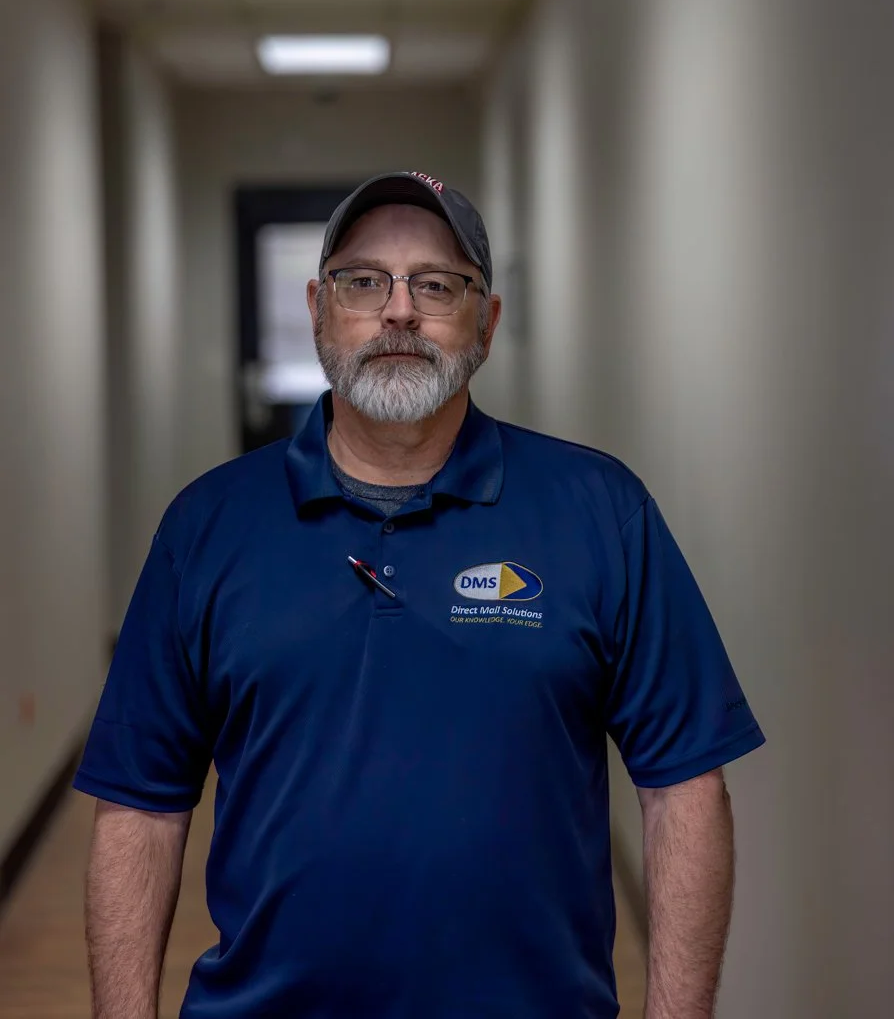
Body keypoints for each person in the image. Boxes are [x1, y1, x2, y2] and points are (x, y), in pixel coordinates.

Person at [75, 170, 765, 1019]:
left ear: (488, 321)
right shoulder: (207, 526)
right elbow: (139, 809)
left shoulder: (600, 512)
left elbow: (684, 787)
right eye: (363, 281)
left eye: (437, 285)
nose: (399, 311)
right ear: (318, 309)